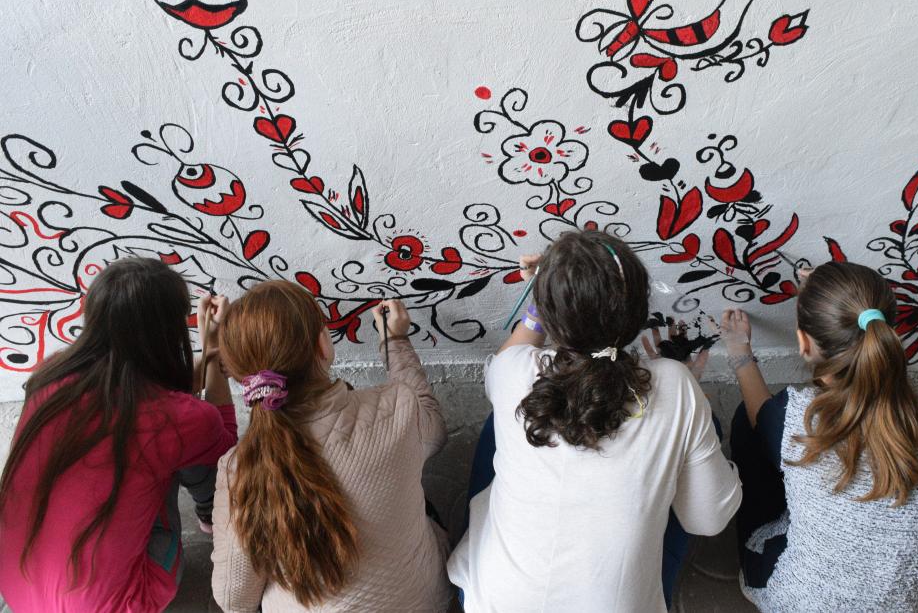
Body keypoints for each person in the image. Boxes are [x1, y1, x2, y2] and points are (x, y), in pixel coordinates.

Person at [448, 230, 742, 612]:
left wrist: (544, 301)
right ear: (638, 313)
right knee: (702, 430)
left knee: (507, 415)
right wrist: (687, 403)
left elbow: (508, 360)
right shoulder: (675, 384)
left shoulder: (513, 373)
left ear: (549, 318)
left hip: (491, 602)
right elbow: (708, 520)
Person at [0, 257, 237, 612]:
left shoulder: (51, 376)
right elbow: (225, 446)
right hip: (120, 604)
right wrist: (213, 350)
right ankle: (209, 513)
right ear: (166, 332)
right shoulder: (171, 417)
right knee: (188, 444)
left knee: (164, 441)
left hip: (17, 590)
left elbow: (153, 388)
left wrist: (207, 354)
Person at [725, 261, 918, 611]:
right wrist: (833, 295)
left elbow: (760, 414)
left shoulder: (800, 420)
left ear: (804, 344)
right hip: (899, 603)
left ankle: (754, 570)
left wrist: (740, 353)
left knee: (748, 424)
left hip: (798, 601)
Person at [210, 281, 451, 612]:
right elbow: (434, 433)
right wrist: (394, 341)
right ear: (323, 346)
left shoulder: (239, 470)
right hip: (425, 602)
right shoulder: (399, 407)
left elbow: (234, 600)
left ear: (241, 375)